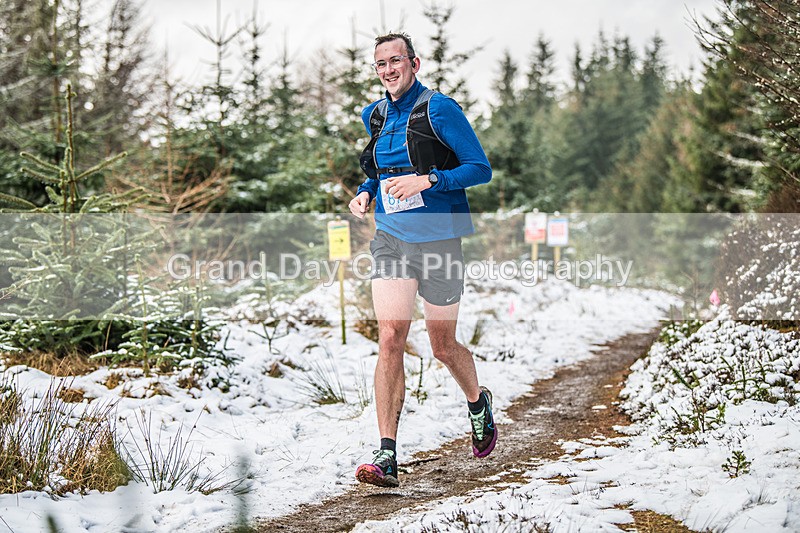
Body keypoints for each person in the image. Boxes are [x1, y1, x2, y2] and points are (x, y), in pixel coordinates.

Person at [348, 32, 496, 488]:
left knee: (442, 346)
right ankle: (386, 454)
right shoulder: (374, 114)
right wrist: (365, 193)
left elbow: (480, 168)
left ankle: (477, 402)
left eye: (396, 61)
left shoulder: (439, 109)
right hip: (391, 239)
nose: (388, 70)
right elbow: (379, 170)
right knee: (390, 337)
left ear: (414, 63)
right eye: (380, 64)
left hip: (439, 241)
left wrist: (428, 180)